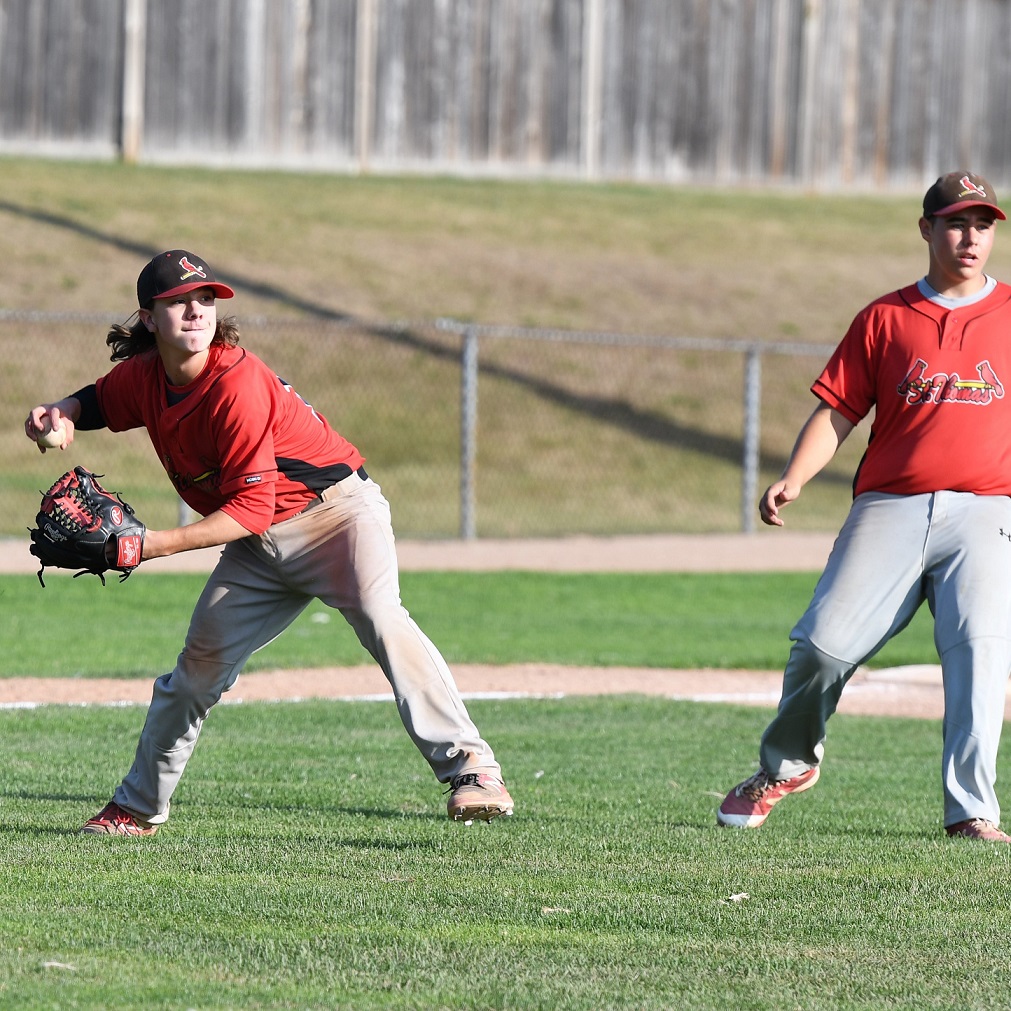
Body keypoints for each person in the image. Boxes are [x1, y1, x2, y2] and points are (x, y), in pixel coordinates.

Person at [24, 249, 514, 836]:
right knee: (195, 673)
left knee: (383, 618)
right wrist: (64, 412)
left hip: (336, 518)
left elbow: (252, 507)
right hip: (258, 542)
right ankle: (135, 810)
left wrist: (150, 545)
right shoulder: (148, 377)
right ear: (148, 318)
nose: (195, 310)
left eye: (204, 298)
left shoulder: (237, 384)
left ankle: (474, 772)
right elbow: (102, 399)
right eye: (177, 301)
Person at [717, 171, 1011, 842]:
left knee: (979, 652)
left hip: (987, 511)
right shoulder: (885, 318)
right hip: (889, 507)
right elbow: (836, 412)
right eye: (956, 223)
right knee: (821, 645)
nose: (970, 237)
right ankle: (786, 764)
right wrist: (793, 476)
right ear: (926, 229)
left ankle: (970, 811)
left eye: (983, 224)